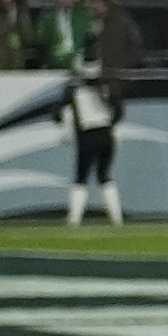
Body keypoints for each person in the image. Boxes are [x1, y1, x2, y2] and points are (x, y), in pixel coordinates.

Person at [60, 19, 126, 227]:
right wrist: (112, 124)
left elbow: (57, 110)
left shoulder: (75, 87)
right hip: (105, 132)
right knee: (105, 174)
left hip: (87, 132)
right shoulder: (106, 83)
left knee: (81, 176)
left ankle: (74, 218)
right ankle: (116, 218)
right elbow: (119, 110)